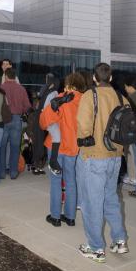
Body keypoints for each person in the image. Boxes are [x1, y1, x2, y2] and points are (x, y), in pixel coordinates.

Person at [77, 62, 129, 263]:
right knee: (111, 198)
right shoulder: (120, 97)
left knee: (92, 202)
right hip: (115, 156)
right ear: (111, 77)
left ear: (94, 78)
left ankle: (96, 247)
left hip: (94, 156)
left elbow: (83, 124)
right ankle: (120, 240)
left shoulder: (90, 95)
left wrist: (84, 138)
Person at [40, 72, 84, 228]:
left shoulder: (61, 98)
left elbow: (45, 121)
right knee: (71, 181)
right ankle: (70, 217)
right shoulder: (85, 101)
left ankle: (55, 216)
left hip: (57, 146)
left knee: (56, 181)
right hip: (73, 147)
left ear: (68, 84)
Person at [0, 68, 30, 180]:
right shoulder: (21, 89)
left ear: (6, 76)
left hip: (4, 119)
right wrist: (20, 109)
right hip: (17, 119)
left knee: (2, 146)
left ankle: (1, 172)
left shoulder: (1, 88)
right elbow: (27, 106)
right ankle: (13, 172)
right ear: (14, 76)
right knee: (15, 147)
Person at [32, 74, 59, 175]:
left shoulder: (46, 91)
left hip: (39, 120)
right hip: (45, 121)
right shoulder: (53, 93)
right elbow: (48, 108)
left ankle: (37, 166)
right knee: (41, 144)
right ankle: (38, 166)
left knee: (38, 143)